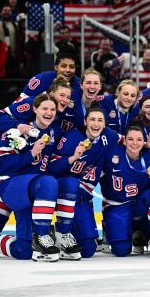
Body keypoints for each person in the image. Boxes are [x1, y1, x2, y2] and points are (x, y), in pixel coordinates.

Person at [0, 94, 79, 262]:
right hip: (12, 187)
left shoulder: (51, 132)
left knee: (23, 250)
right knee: (47, 182)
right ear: (34, 109)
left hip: (32, 191)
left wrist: (72, 158)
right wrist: (31, 153)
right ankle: (42, 237)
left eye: (52, 109)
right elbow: (1, 164)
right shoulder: (17, 132)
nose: (49, 112)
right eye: (45, 108)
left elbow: (48, 166)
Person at [49, 104, 120, 258]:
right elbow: (52, 168)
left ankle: (55, 233)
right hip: (64, 194)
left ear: (105, 123)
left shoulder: (110, 136)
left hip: (83, 199)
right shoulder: (71, 139)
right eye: (92, 119)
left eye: (100, 120)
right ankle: (58, 232)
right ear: (85, 121)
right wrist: (73, 157)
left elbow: (129, 141)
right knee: (71, 183)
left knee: (87, 249)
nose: (96, 124)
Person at [100, 122, 150, 257]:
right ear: (124, 140)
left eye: (139, 139)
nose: (135, 143)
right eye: (131, 139)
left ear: (144, 141)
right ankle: (111, 229)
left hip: (139, 204)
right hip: (117, 206)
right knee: (121, 250)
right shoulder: (111, 153)